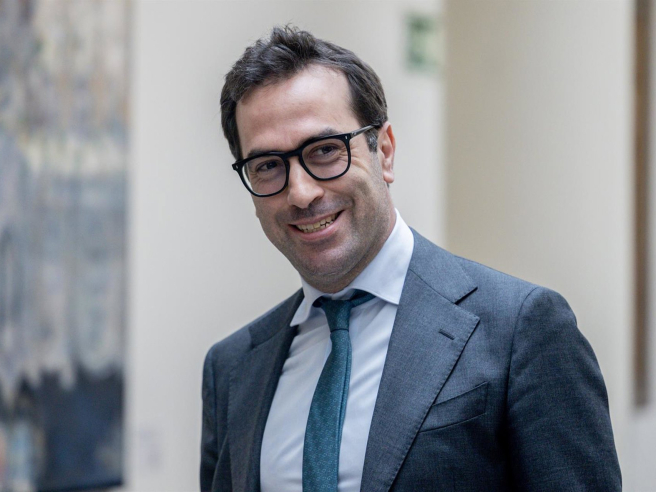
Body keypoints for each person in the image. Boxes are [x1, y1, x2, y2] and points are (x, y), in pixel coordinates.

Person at [200, 26, 621, 492]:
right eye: (267, 166)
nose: (301, 193)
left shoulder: (520, 330)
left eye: (324, 151)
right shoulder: (232, 369)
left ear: (384, 152)